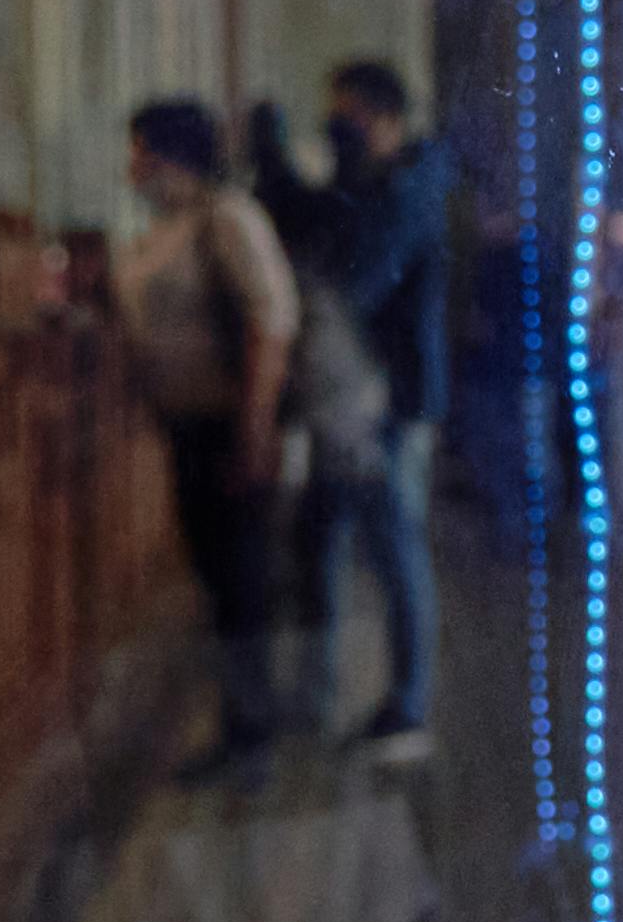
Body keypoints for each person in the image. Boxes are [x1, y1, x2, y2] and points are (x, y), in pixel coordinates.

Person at [251, 60, 450, 762]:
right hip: (352, 396)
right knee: (326, 539)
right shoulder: (385, 185)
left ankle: (407, 706)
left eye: (350, 118)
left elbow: (354, 273)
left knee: (392, 548)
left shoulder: (408, 190)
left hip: (382, 399)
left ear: (385, 118)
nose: (341, 132)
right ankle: (323, 697)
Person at [118, 97, 300, 784]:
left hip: (229, 426)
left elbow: (270, 321)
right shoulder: (169, 227)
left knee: (242, 583)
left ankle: (252, 735)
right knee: (221, 583)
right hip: (188, 427)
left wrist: (253, 430)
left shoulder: (227, 218)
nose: (135, 167)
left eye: (144, 152)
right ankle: (241, 724)